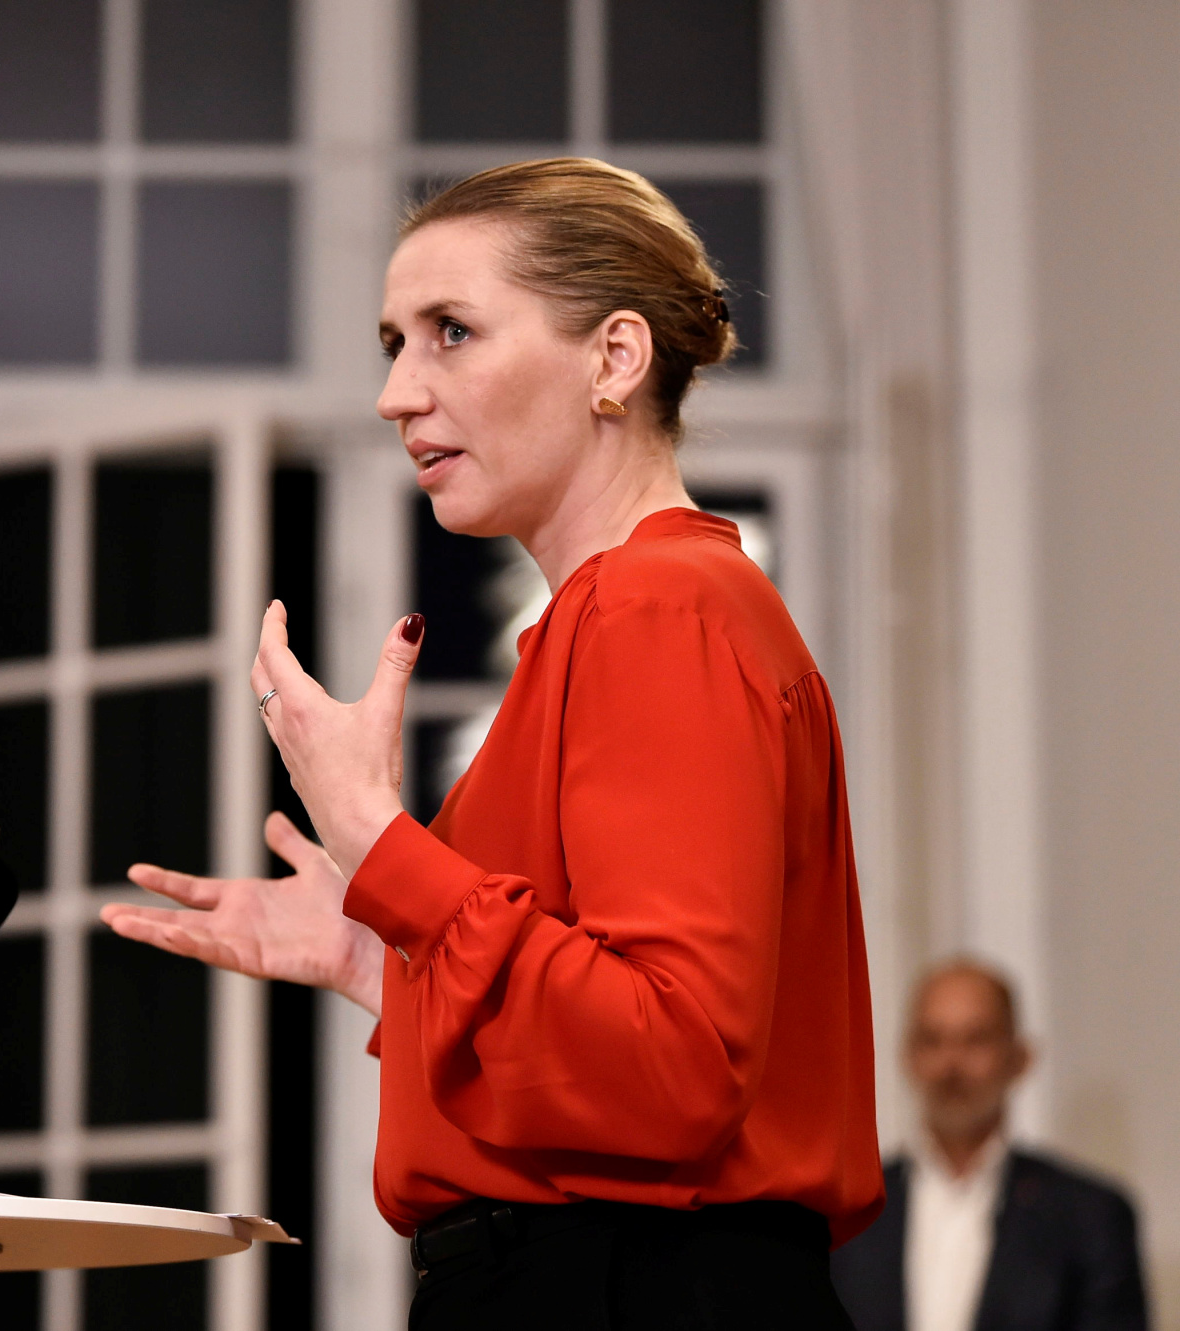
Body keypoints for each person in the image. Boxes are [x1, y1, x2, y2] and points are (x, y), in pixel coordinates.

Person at [101, 158, 882, 1328]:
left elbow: (666, 1071)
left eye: (450, 332)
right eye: (391, 343)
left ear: (613, 359)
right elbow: (600, 1026)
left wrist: (379, 844)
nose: (395, 393)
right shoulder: (615, 616)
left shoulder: (654, 607)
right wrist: (386, 962)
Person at [831, 960, 1148, 1331]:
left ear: (1019, 1057)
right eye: (933, 1040)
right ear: (907, 1057)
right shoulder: (850, 1211)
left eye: (975, 1039)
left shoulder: (1090, 1217)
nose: (951, 1064)